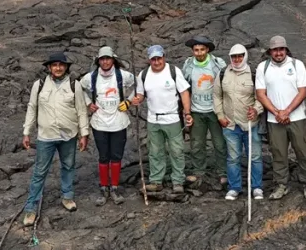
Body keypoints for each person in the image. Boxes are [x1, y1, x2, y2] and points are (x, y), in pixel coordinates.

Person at [21, 52, 90, 226]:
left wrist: (84, 134)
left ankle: (67, 197)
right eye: (54, 65)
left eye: (61, 65)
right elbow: (32, 108)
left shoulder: (75, 85)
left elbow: (81, 110)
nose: (58, 68)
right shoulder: (40, 85)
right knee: (39, 172)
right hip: (46, 136)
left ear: (66, 67)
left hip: (69, 135)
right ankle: (31, 208)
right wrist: (26, 132)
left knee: (68, 166)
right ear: (49, 67)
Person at [255, 35, 306, 200]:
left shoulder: (297, 65)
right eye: (275, 50)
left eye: (281, 49)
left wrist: (287, 111)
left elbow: (303, 91)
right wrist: (277, 113)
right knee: (278, 153)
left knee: (303, 150)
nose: (278, 53)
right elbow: (260, 94)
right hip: (274, 120)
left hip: (296, 117)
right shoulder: (263, 67)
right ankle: (281, 184)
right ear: (270, 51)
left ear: (286, 50)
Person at [130, 44, 193, 193]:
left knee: (177, 151)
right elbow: (140, 94)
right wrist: (136, 100)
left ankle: (178, 180)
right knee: (155, 152)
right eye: (153, 59)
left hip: (172, 119)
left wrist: (187, 112)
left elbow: (184, 92)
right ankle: (156, 181)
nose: (157, 62)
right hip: (153, 120)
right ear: (149, 60)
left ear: (164, 57)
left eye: (159, 58)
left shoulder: (173, 72)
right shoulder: (143, 75)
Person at [80, 46, 135, 206]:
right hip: (99, 123)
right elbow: (78, 88)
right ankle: (104, 188)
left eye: (108, 58)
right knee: (104, 157)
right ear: (98, 61)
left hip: (119, 122)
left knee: (116, 156)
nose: (105, 62)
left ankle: (115, 188)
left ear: (113, 60)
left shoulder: (123, 76)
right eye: (102, 59)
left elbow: (140, 85)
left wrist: (129, 101)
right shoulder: (91, 77)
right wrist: (88, 102)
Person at [213, 43, 265, 200]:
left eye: (239, 56)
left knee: (255, 157)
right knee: (233, 158)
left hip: (250, 124)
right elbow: (217, 95)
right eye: (233, 56)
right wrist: (220, 115)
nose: (236, 59)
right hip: (230, 124)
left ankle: (257, 187)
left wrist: (256, 109)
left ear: (245, 56)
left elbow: (261, 96)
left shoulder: (254, 74)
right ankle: (234, 187)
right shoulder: (223, 73)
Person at [181, 35, 228, 190]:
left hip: (215, 110)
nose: (199, 53)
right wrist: (186, 111)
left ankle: (222, 172)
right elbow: (184, 88)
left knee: (220, 144)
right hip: (196, 111)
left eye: (202, 49)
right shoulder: (188, 66)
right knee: (196, 144)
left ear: (207, 49)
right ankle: (198, 171)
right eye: (196, 50)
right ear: (192, 51)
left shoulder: (218, 64)